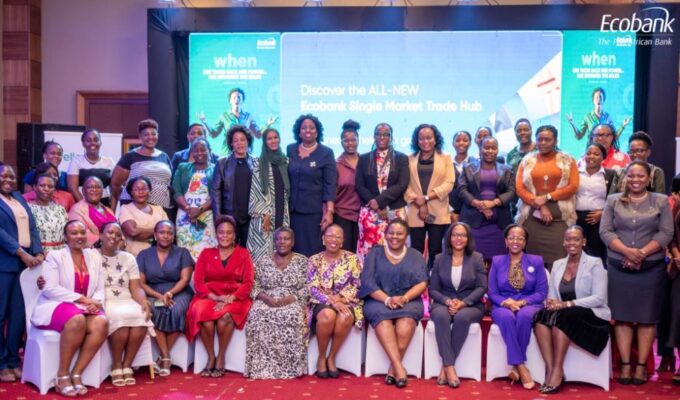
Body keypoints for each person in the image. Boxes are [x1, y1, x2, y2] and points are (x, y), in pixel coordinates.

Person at [600, 160, 673, 385]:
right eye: (631, 176)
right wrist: (628, 252)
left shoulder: (661, 201)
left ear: (649, 178)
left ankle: (641, 366)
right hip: (618, 265)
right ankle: (625, 364)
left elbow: (666, 233)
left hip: (650, 267)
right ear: (625, 178)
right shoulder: (613, 200)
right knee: (621, 317)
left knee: (646, 319)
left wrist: (641, 254)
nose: (635, 180)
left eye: (640, 176)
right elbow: (605, 231)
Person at [30, 220, 107, 396]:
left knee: (101, 322)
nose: (79, 236)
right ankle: (62, 375)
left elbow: (100, 288)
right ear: (65, 236)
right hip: (57, 304)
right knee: (77, 319)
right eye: (74, 233)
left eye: (82, 232)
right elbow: (50, 289)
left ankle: (77, 373)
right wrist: (84, 299)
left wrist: (95, 301)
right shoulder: (55, 256)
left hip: (86, 305)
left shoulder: (94, 256)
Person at [533, 226, 611, 394]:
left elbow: (599, 298)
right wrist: (552, 303)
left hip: (593, 315)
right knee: (540, 316)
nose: (571, 243)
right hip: (566, 313)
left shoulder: (594, 263)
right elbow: (553, 295)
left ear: (584, 242)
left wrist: (568, 304)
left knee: (564, 316)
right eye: (568, 239)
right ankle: (551, 368)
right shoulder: (558, 264)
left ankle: (557, 370)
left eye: (576, 239)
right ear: (564, 242)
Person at [359, 219, 428, 388]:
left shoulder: (416, 255)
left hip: (408, 300)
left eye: (399, 233)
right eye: (391, 233)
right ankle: (399, 367)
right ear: (385, 234)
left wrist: (404, 298)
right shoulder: (374, 254)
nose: (394, 237)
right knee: (382, 318)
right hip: (378, 300)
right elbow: (368, 283)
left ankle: (392, 369)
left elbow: (422, 283)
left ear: (406, 236)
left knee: (407, 321)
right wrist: (387, 299)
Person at [185, 216, 254, 377]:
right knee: (201, 313)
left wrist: (231, 298)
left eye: (229, 233)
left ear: (234, 235)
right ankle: (211, 357)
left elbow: (248, 283)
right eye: (221, 232)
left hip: (235, 297)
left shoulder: (243, 254)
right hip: (209, 296)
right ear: (216, 234)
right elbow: (198, 282)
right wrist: (215, 298)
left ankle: (221, 356)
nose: (225, 236)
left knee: (226, 315)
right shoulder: (206, 254)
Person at [488, 224, 547, 390]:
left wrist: (522, 303)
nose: (515, 241)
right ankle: (520, 365)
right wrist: (506, 302)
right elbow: (492, 292)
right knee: (506, 317)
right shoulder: (497, 261)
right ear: (506, 241)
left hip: (529, 303)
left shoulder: (536, 261)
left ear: (525, 242)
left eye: (520, 238)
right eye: (512, 238)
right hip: (503, 304)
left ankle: (515, 366)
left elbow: (541, 292)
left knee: (524, 316)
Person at [245, 227, 308, 379]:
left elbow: (309, 285)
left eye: (286, 239)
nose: (282, 242)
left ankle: (290, 368)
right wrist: (265, 298)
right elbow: (253, 284)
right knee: (257, 314)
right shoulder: (263, 260)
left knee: (292, 315)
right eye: (278, 239)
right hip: (266, 299)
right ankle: (260, 367)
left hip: (293, 299)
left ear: (292, 242)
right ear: (274, 242)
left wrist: (292, 298)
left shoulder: (302, 261)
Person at [429, 222, 487, 389]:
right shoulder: (439, 259)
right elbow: (433, 289)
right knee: (441, 316)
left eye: (462, 235)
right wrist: (447, 301)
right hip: (443, 301)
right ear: (449, 238)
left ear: (468, 238)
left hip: (470, 304)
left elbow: (482, 287)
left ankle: (445, 367)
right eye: (455, 235)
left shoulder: (477, 258)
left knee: (462, 317)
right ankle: (450, 367)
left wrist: (463, 302)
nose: (458, 238)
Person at [0, 164, 43, 383]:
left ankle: (13, 359)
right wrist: (21, 253)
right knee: (1, 315)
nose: (8, 179)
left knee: (18, 314)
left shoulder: (18, 198)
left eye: (12, 176)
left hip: (25, 265)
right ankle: (1, 363)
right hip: (4, 263)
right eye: (4, 176)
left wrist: (38, 251)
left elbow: (32, 227)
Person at [516, 125, 579, 270]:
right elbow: (519, 188)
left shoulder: (567, 160)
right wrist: (540, 204)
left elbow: (573, 186)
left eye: (547, 140)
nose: (543, 143)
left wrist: (548, 197)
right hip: (532, 219)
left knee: (559, 262)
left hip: (560, 220)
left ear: (556, 141)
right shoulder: (527, 160)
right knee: (533, 263)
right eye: (540, 139)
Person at [98, 222, 154, 387]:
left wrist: (143, 301)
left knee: (142, 315)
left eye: (118, 234)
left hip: (126, 299)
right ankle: (116, 364)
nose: (114, 237)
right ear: (100, 235)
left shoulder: (128, 258)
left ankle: (127, 364)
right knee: (120, 318)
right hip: (105, 300)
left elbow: (136, 288)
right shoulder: (91, 255)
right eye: (110, 233)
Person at [138, 221, 194, 377]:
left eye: (169, 233)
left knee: (178, 309)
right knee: (154, 309)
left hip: (178, 291)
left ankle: (163, 358)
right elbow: (141, 283)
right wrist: (159, 296)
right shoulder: (144, 254)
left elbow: (185, 279)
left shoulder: (183, 252)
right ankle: (166, 356)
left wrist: (169, 293)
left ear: (173, 236)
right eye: (162, 232)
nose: (166, 236)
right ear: (155, 235)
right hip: (153, 292)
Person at [308, 225, 363, 378]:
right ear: (323, 239)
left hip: (347, 301)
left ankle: (332, 356)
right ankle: (321, 357)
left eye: (338, 237)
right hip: (321, 301)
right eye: (330, 236)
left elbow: (358, 285)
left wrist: (341, 299)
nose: (334, 239)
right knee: (328, 316)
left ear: (342, 241)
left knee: (345, 316)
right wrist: (331, 301)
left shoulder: (352, 259)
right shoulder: (314, 260)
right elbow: (313, 288)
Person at [355, 122, 409, 263]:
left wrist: (380, 202)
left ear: (391, 137)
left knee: (394, 251)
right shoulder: (364, 158)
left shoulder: (401, 158)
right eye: (378, 134)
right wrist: (376, 206)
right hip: (370, 213)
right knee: (369, 254)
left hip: (394, 211)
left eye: (386, 134)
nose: (382, 137)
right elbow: (360, 186)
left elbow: (402, 184)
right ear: (374, 137)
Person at [405, 123, 455, 269]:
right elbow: (404, 185)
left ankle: (434, 279)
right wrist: (419, 202)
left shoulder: (445, 158)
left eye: (429, 138)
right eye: (421, 138)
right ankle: (417, 278)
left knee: (436, 250)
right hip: (415, 210)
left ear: (435, 139)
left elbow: (449, 183)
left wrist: (426, 198)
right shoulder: (409, 159)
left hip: (438, 211)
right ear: (416, 140)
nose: (425, 141)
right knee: (416, 250)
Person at [458, 137, 515, 264]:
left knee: (499, 261)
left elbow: (511, 192)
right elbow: (462, 190)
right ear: (480, 149)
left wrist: (493, 203)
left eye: (493, 148)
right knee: (473, 261)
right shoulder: (468, 168)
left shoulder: (507, 169)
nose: (490, 151)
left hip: (499, 224)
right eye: (486, 147)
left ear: (497, 150)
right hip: (473, 222)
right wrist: (479, 205)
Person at [287, 114, 337, 257]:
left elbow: (330, 184)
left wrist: (329, 211)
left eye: (311, 127)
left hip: (314, 212)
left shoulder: (326, 152)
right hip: (292, 212)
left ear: (317, 131)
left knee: (312, 249)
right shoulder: (290, 149)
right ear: (298, 132)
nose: (307, 130)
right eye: (304, 128)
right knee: (294, 249)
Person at [110, 119, 173, 214]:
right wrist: (127, 197)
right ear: (140, 136)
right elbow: (115, 184)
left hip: (161, 207)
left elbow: (169, 182)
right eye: (146, 134)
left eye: (153, 134)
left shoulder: (164, 156)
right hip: (135, 207)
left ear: (157, 135)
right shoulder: (130, 156)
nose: (150, 137)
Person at [247, 128, 289, 263]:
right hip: (264, 215)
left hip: (282, 211)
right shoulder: (259, 163)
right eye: (269, 139)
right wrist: (265, 213)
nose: (273, 141)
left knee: (281, 248)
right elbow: (255, 190)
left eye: (275, 137)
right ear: (265, 142)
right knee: (263, 252)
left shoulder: (285, 161)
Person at [199, 87, 277, 156]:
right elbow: (214, 134)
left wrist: (268, 124)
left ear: (242, 101)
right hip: (228, 154)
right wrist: (205, 122)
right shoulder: (224, 116)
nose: (237, 99)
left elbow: (258, 134)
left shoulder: (248, 116)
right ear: (230, 101)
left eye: (239, 97)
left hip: (245, 153)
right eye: (234, 97)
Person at [173, 138, 216, 259]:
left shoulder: (216, 169)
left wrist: (199, 210)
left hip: (207, 215)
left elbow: (216, 194)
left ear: (209, 150)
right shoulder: (183, 167)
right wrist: (189, 209)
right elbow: (176, 191)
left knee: (207, 251)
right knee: (186, 250)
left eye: (203, 150)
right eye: (195, 151)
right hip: (185, 216)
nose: (199, 153)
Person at [211, 125, 254, 248]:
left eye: (243, 140)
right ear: (231, 143)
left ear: (248, 141)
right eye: (236, 141)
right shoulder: (222, 163)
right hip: (229, 216)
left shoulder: (256, 162)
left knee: (248, 252)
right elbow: (215, 191)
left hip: (251, 217)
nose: (239, 143)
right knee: (230, 251)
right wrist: (218, 218)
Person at [575, 143, 616, 264]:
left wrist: (603, 213)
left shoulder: (611, 174)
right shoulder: (575, 173)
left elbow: (615, 198)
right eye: (588, 153)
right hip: (577, 218)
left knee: (597, 255)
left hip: (599, 219)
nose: (591, 156)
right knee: (577, 252)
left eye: (596, 154)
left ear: (603, 157)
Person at [119, 177, 169, 257]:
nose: (141, 192)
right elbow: (132, 232)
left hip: (160, 256)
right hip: (135, 256)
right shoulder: (126, 208)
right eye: (136, 189)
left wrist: (141, 230)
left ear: (149, 190)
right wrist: (159, 231)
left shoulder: (159, 209)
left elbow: (168, 231)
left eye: (144, 189)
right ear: (131, 192)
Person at [66, 129, 115, 206]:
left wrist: (111, 209)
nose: (92, 143)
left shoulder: (109, 161)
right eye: (88, 140)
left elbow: (115, 188)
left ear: (100, 142)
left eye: (96, 140)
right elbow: (72, 188)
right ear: (83, 144)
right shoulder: (76, 161)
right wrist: (88, 207)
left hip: (105, 205)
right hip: (82, 204)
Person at [334, 120, 361, 252]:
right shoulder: (336, 165)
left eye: (353, 140)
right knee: (345, 253)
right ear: (341, 142)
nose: (350, 143)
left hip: (363, 216)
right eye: (346, 140)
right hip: (342, 215)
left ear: (358, 140)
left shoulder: (366, 162)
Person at [68, 176, 116, 248]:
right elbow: (81, 236)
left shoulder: (108, 210)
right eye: (90, 187)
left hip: (114, 248)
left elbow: (118, 230)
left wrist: (120, 241)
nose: (94, 190)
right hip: (93, 250)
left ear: (102, 191)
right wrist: (107, 243)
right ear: (83, 191)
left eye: (98, 187)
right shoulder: (77, 210)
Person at [567, 87, 631, 141]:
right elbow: (579, 136)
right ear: (593, 100)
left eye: (600, 97)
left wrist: (623, 126)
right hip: (592, 149)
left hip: (604, 149)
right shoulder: (588, 117)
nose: (599, 99)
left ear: (603, 100)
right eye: (596, 97)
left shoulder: (608, 117)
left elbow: (614, 137)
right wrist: (573, 124)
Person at [27, 174, 68, 253]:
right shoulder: (27, 208)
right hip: (37, 254)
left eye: (50, 186)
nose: (46, 189)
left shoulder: (60, 209)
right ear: (34, 187)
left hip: (60, 253)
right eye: (42, 185)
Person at [666, 174, 680, 385]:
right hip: (679, 268)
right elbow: (672, 236)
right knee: (678, 316)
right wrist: (676, 255)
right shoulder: (676, 205)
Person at [449, 130, 472, 223]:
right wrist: (451, 212)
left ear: (470, 143)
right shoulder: (446, 164)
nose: (461, 143)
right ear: (453, 144)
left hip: (471, 213)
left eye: (465, 140)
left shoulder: (476, 164)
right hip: (450, 213)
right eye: (458, 140)